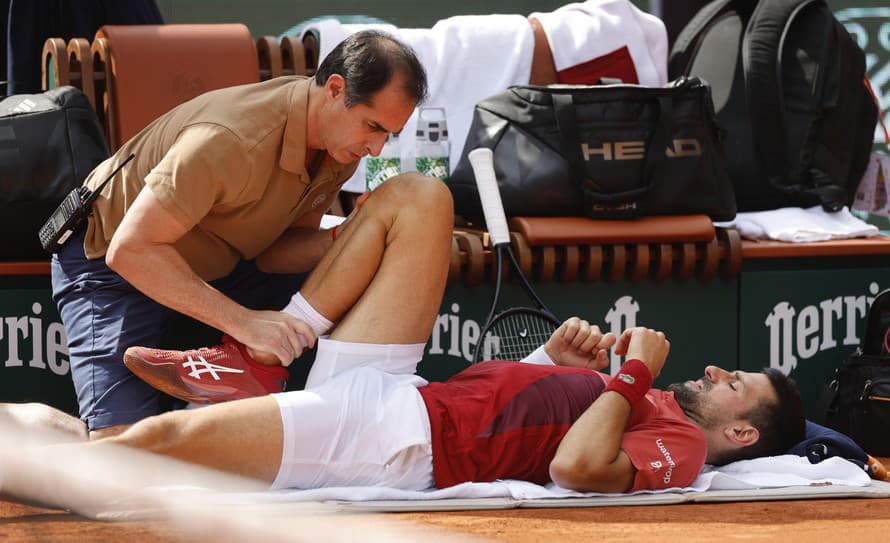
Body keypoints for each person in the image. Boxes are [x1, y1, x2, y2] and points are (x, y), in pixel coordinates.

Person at [4, 178, 806, 511]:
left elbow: (575, 468)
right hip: (400, 387)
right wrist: (552, 366)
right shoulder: (645, 405)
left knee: (129, 448)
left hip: (391, 441)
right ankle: (261, 354)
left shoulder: (680, 446)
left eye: (737, 383)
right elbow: (517, 408)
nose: (716, 368)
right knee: (418, 197)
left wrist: (629, 374)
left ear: (741, 433)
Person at [50, 30, 428, 438]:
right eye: (373, 126)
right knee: (122, 455)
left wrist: (349, 237)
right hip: (113, 267)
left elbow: (275, 255)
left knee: (350, 273)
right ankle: (17, 437)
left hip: (219, 268)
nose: (376, 148)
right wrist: (245, 324)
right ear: (335, 89)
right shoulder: (230, 138)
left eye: (388, 134)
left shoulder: (338, 148)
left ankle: (248, 385)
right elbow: (130, 250)